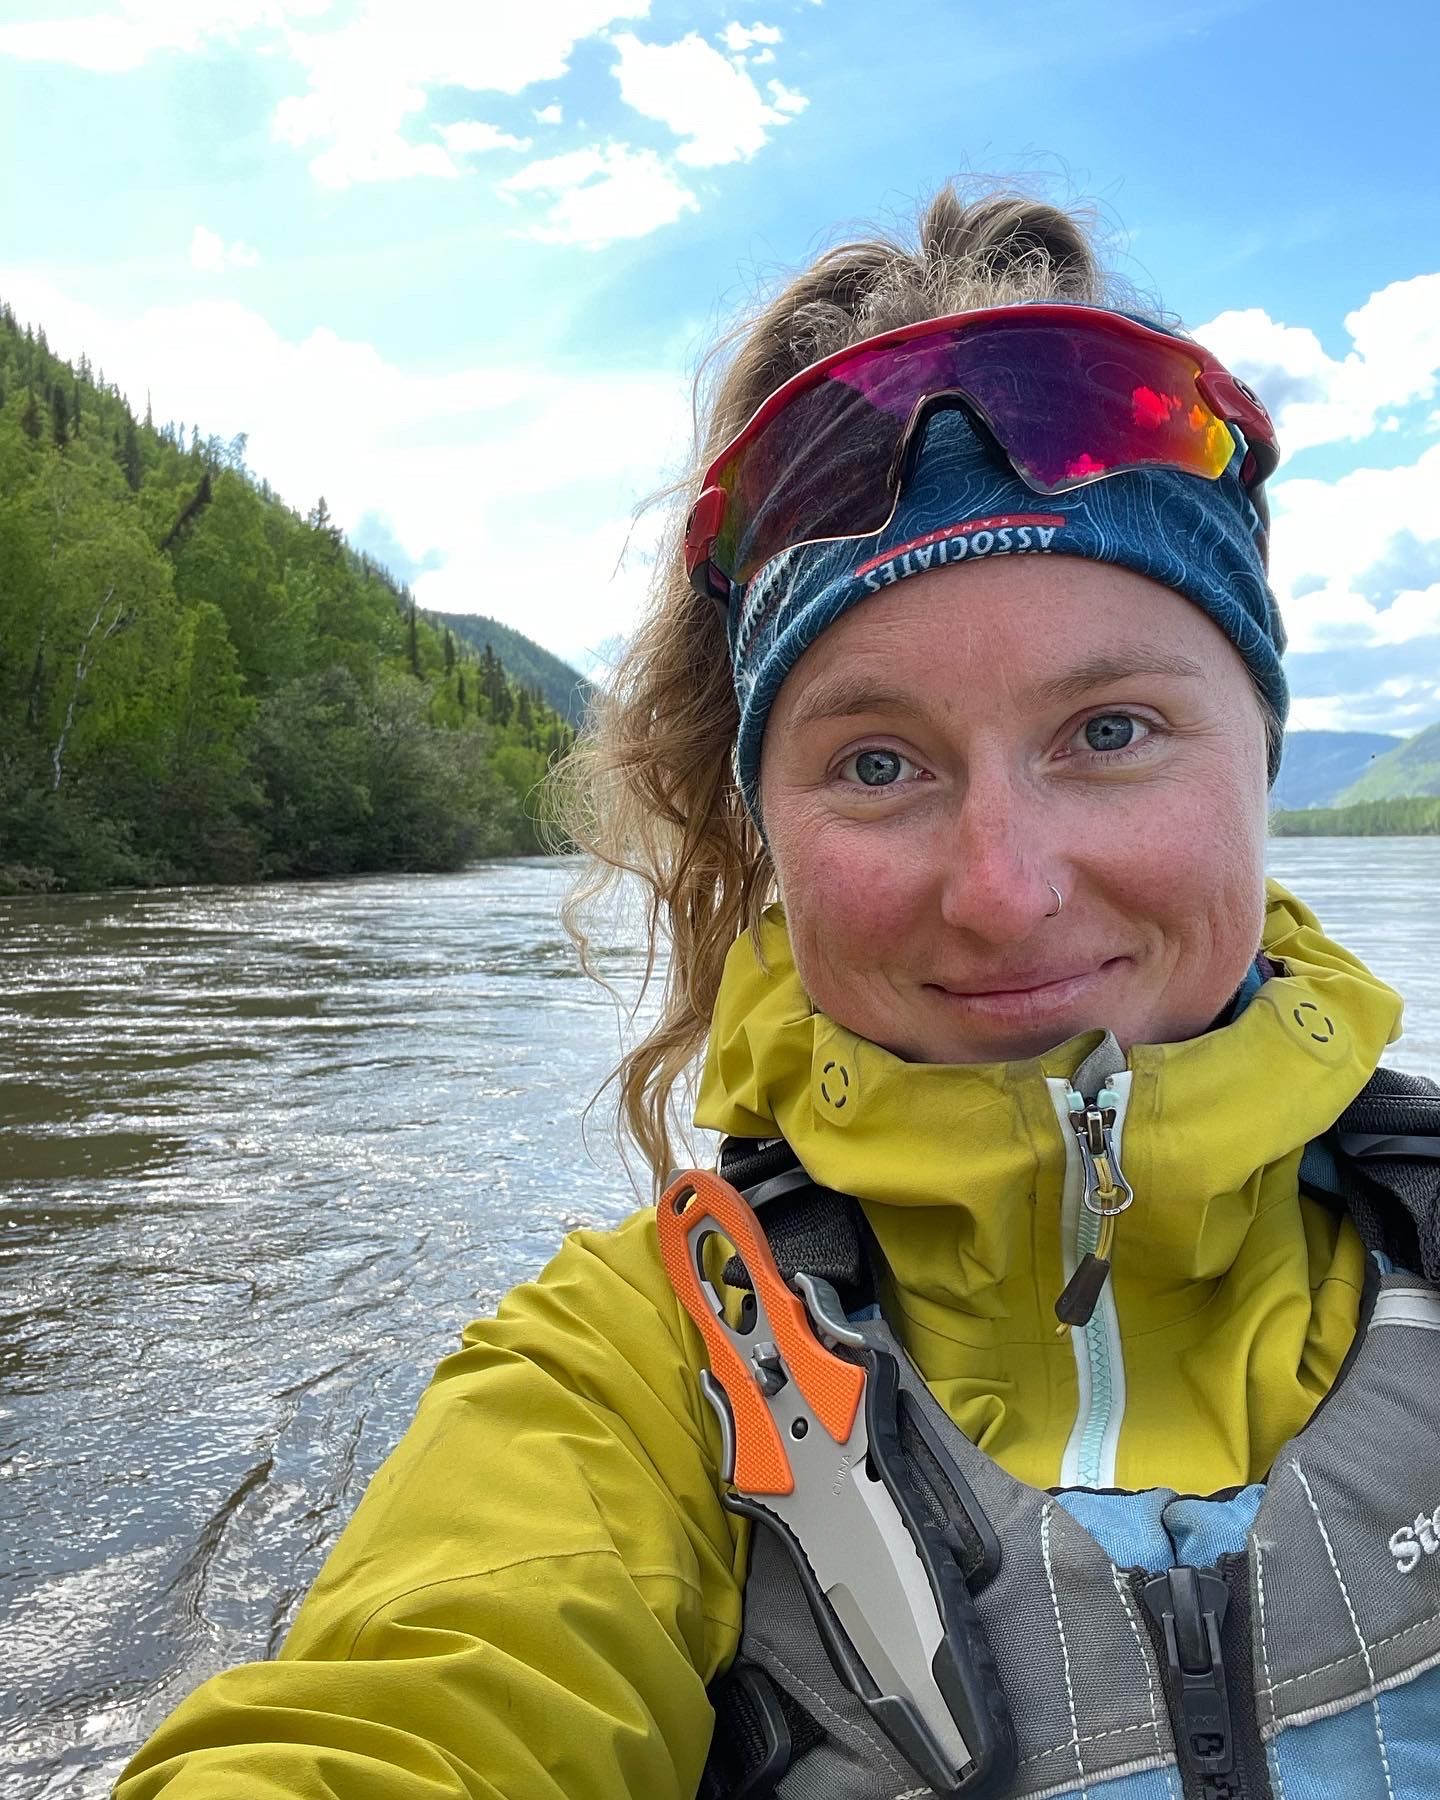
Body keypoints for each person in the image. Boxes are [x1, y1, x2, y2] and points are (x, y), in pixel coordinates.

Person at [115, 188, 1440, 1800]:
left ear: (1263, 751)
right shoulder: (630, 1378)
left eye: (1110, 731)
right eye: (877, 764)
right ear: (770, 834)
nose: (1005, 886)